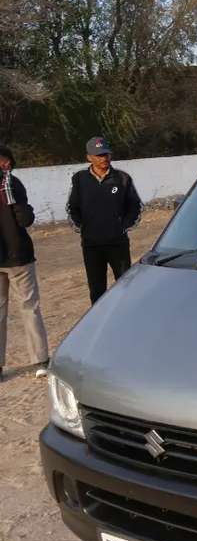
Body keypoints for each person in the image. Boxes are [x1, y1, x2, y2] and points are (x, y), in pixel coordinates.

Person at [66, 137, 142, 305]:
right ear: (89, 157)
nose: (104, 159)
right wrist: (83, 228)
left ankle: (125, 319)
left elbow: (135, 206)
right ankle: (99, 325)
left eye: (106, 154)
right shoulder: (79, 179)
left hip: (118, 244)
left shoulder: (122, 178)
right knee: (96, 290)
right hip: (91, 246)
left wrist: (123, 227)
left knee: (125, 287)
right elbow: (72, 208)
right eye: (99, 155)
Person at [0, 144, 49, 382]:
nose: (6, 164)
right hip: (15, 255)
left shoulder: (14, 185)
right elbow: (26, 219)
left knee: (19, 309)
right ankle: (37, 361)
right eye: (2, 160)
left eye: (7, 160)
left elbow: (25, 219)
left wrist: (16, 203)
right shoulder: (13, 184)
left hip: (17, 258)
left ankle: (36, 360)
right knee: (25, 308)